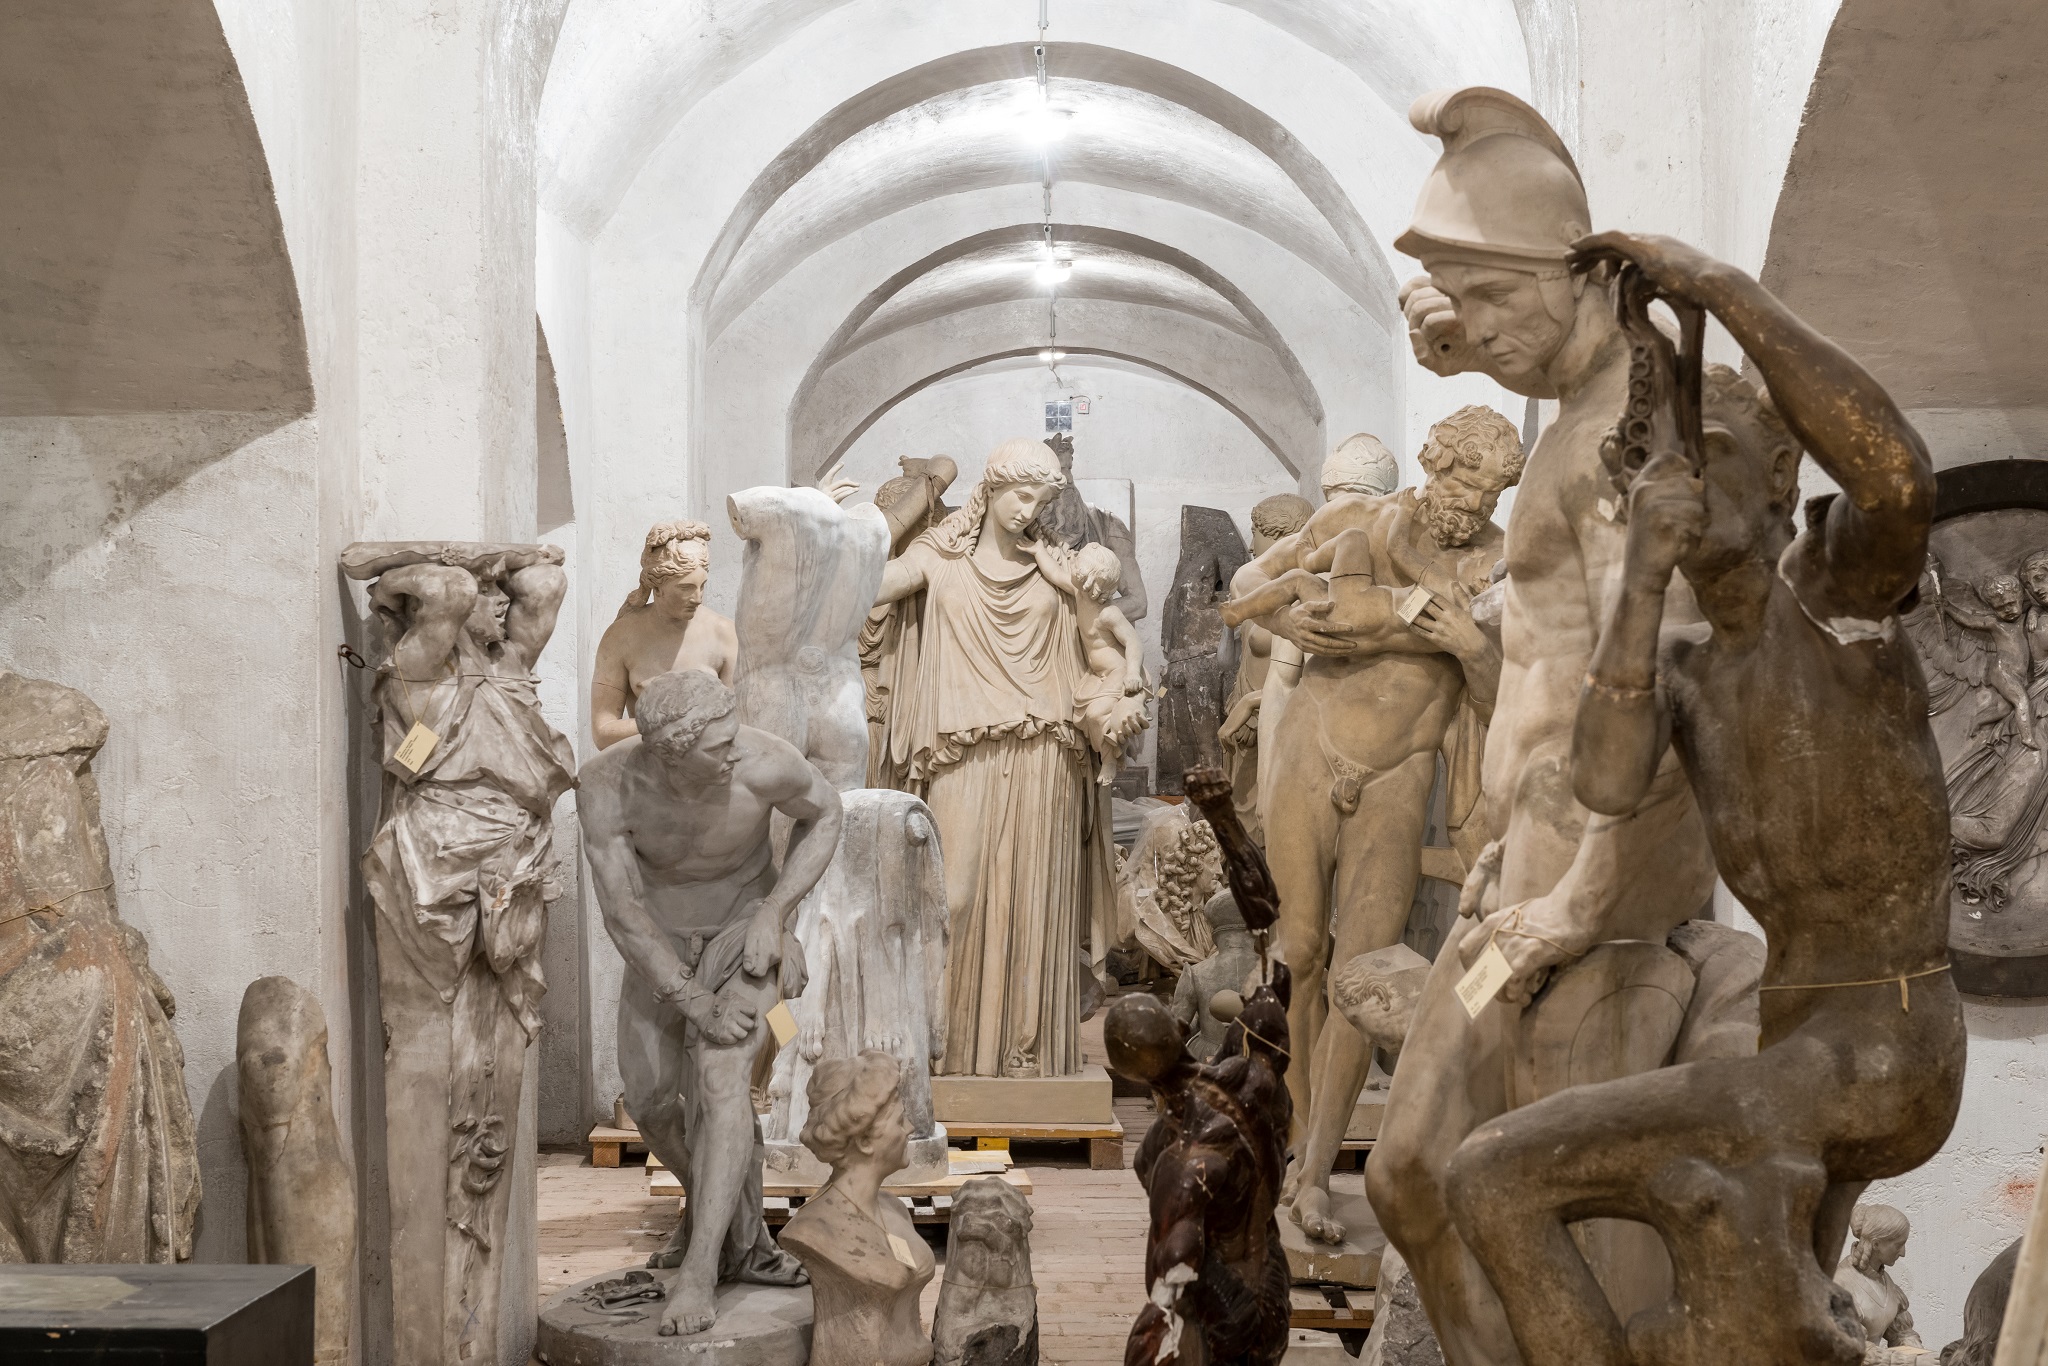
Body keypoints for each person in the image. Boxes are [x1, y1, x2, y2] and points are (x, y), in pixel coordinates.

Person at [1441, 232, 1961, 1366]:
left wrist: (1720, 291)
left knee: (1496, 1169)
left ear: (1779, 478)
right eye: (1648, 471)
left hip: (1888, 1046)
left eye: (1711, 453)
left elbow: (1896, 477)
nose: (1676, 483)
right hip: (1793, 1043)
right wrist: (1633, 580)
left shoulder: (1832, 601)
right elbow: (1602, 781)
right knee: (1740, 1305)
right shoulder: (1679, 663)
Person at [1365, 89, 1721, 1362]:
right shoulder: (1569, 413)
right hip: (1514, 880)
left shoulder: (1634, 426)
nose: (1477, 332)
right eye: (1465, 304)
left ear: (1579, 278)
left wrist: (1581, 898)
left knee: (1568, 1230)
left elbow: (1667, 670)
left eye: (1496, 301)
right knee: (1404, 1172)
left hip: (1596, 895)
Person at [1225, 404, 1520, 1244]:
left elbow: (1504, 698)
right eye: (1464, 479)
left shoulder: (1501, 565)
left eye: (1491, 489)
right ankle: (1288, 1144)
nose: (1473, 501)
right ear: (1434, 462)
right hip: (1311, 751)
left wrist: (1471, 648)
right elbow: (1252, 587)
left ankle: (1316, 1172)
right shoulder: (1357, 520)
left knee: (1360, 975)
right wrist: (1295, 622)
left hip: (1402, 772)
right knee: (1304, 952)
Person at [341, 538, 575, 1364]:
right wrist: (452, 560)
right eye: (487, 595)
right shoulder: (419, 672)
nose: (502, 602)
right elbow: (430, 586)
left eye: (497, 592)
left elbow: (545, 580)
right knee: (432, 1078)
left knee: (489, 1092)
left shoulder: (506, 673)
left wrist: (505, 566)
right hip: (432, 868)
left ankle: (470, 1340)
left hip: (508, 873)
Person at [577, 669, 845, 1336]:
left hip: (743, 930)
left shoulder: (764, 763)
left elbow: (827, 812)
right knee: (650, 1103)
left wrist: (778, 915)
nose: (734, 751)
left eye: (733, 736)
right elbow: (623, 912)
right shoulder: (607, 786)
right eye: (716, 745)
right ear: (672, 751)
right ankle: (735, 1230)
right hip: (659, 946)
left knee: (723, 1079)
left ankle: (700, 1269)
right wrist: (693, 1000)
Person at [870, 437, 1117, 1078]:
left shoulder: (1059, 568)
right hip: (960, 749)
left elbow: (1102, 650)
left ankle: (1024, 1053)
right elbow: (869, 583)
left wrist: (1082, 594)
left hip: (1045, 754)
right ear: (991, 489)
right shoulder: (939, 558)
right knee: (951, 898)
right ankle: (944, 1046)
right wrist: (874, 518)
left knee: (1037, 904)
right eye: (1017, 493)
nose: (1026, 509)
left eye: (1039, 498)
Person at [778, 1051, 936, 1366]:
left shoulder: (893, 1209)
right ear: (864, 1139)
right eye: (900, 1118)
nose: (909, 1128)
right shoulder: (813, 1231)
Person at [590, 520, 738, 749]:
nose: (698, 598)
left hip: (712, 771)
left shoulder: (724, 633)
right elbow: (603, 732)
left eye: (702, 586)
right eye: (686, 588)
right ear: (657, 587)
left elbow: (741, 722)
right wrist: (670, 722)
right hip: (648, 772)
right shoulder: (620, 638)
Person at [1219, 493, 1314, 845]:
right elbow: (1229, 659)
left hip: (1270, 725)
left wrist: (1251, 704)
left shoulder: (1298, 599)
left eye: (1256, 531)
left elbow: (1302, 681)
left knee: (1264, 828)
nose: (1250, 542)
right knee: (1237, 828)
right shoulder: (1258, 591)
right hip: (1242, 730)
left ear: (1278, 536)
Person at [1032, 539, 1148, 783]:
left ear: (1090, 581)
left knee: (1096, 714)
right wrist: (1037, 550)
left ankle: (1111, 759)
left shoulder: (1109, 613)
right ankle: (1111, 751)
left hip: (1118, 672)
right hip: (1097, 675)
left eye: (1078, 568)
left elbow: (1133, 642)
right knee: (1085, 714)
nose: (1072, 569)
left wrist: (1133, 673)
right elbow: (1054, 573)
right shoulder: (1079, 594)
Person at [1942, 573, 2038, 749]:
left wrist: (2032, 613)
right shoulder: (1994, 624)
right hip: (2003, 670)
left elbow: (2037, 607)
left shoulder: (2025, 615)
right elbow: (1969, 621)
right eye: (2001, 608)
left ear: (2020, 598)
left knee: (2004, 709)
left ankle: (1978, 721)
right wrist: (1947, 607)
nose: (2007, 610)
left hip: (2018, 672)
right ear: (1992, 608)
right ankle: (2027, 737)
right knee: (2021, 700)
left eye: (2010, 604)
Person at [1835, 1204, 1925, 1362]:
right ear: (1876, 1244)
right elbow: (1854, 1349)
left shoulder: (1887, 1283)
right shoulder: (1841, 1284)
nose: (1903, 1253)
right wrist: (1905, 1361)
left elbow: (1901, 1333)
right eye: (1898, 1245)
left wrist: (1918, 1355)